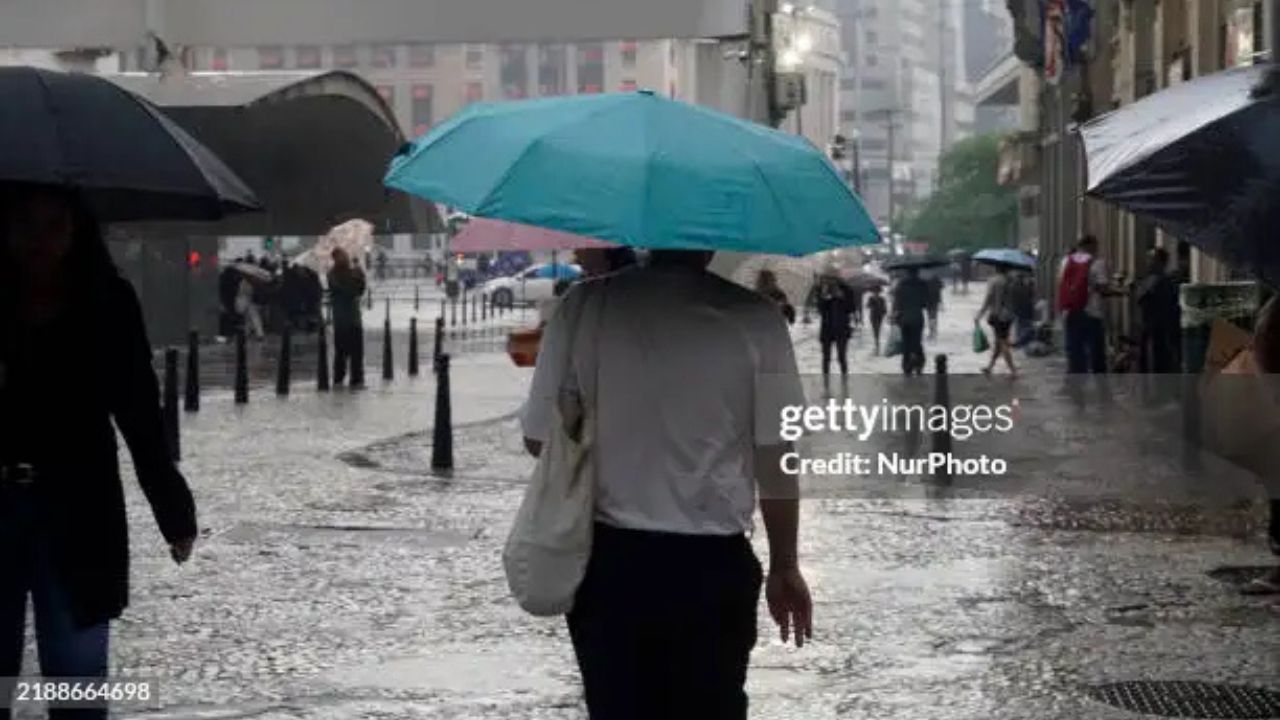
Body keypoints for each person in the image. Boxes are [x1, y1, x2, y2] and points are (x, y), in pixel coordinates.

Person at [521, 250, 812, 718]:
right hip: (713, 564)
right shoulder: (758, 319)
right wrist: (785, 565)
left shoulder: (585, 306)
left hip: (609, 565)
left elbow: (538, 439)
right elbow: (776, 457)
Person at [0, 186, 198, 720]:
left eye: (53, 225)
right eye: (26, 225)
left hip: (78, 509)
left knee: (77, 682)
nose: (39, 241)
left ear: (75, 230)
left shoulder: (105, 301)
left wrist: (171, 506)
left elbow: (137, 408)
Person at [1058, 235, 1114, 374]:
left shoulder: (1066, 261)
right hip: (1093, 314)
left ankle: (1076, 387)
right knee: (1097, 354)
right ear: (1092, 246)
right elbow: (1103, 289)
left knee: (1075, 352)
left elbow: (1061, 285)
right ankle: (1101, 387)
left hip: (1071, 312)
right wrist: (1119, 291)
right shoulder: (1097, 263)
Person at [1136, 247, 1181, 374]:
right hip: (1148, 328)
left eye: (1151, 259)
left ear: (1160, 262)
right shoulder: (1148, 281)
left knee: (1159, 364)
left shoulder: (1166, 283)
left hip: (1160, 331)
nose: (1148, 262)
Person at [328, 247, 367, 388]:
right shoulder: (332, 274)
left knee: (357, 353)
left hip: (354, 318)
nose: (345, 258)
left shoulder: (352, 272)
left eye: (345, 255)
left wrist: (360, 276)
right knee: (341, 352)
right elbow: (347, 291)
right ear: (336, 258)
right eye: (342, 256)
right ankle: (339, 379)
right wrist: (355, 276)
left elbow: (360, 291)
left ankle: (357, 380)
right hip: (342, 320)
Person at [808, 270, 857, 382]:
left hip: (842, 328)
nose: (829, 281)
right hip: (826, 328)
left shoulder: (847, 289)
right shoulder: (822, 290)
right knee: (826, 357)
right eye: (827, 279)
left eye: (831, 279)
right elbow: (820, 310)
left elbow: (851, 308)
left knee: (842, 357)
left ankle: (844, 380)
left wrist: (841, 297)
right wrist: (823, 298)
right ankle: (826, 381)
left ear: (837, 279)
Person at [975, 265, 1018, 378]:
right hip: (1009, 316)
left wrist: (979, 314)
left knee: (1002, 342)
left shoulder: (994, 281)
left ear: (996, 268)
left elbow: (988, 299)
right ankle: (990, 367)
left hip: (998, 316)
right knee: (999, 342)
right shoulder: (1011, 281)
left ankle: (1013, 370)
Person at [892, 268, 930, 376]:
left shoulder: (900, 285)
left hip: (904, 319)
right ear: (917, 273)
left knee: (906, 344)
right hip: (917, 318)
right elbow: (925, 304)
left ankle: (907, 367)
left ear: (907, 273)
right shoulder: (922, 285)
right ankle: (919, 364)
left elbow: (897, 304)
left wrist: (894, 317)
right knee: (917, 342)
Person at [1009, 271, 1037, 348]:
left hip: (1022, 309)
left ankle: (1020, 342)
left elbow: (1011, 299)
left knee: (1022, 326)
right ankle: (1021, 342)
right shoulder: (1025, 286)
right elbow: (1032, 296)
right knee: (1023, 326)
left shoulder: (1014, 286)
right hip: (1024, 309)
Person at [866, 286, 888, 355]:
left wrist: (883, 312)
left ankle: (877, 342)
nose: (876, 293)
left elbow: (885, 309)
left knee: (877, 329)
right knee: (875, 329)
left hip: (879, 316)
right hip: (873, 316)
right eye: (875, 291)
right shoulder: (871, 298)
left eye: (877, 291)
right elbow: (867, 306)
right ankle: (877, 342)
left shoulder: (882, 299)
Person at [925, 274, 943, 340]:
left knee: (930, 317)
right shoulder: (937, 284)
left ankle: (931, 331)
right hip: (935, 302)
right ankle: (934, 330)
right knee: (934, 317)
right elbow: (940, 291)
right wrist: (941, 303)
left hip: (928, 302)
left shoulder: (927, 283)